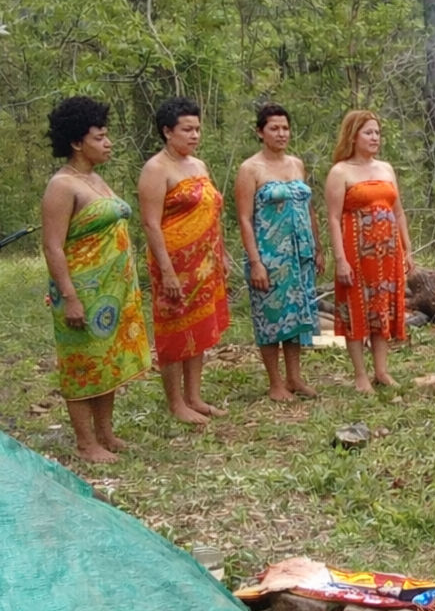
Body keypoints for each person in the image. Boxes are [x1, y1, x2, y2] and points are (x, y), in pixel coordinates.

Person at [40, 96, 152, 462]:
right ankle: (86, 442)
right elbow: (53, 247)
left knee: (108, 359)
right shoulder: (62, 186)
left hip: (113, 291)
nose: (109, 143)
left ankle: (106, 432)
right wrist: (69, 295)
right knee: (83, 363)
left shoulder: (95, 179)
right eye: (100, 137)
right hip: (82, 291)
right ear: (77, 142)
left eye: (107, 136)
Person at [137, 96, 230, 425]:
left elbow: (211, 210)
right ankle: (175, 402)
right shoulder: (156, 169)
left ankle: (194, 395)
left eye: (197, 129)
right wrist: (167, 270)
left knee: (199, 325)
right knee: (174, 329)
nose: (194, 135)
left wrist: (222, 253)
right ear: (167, 131)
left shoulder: (199, 165)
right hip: (173, 262)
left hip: (205, 261)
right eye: (186, 129)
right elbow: (150, 223)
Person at [235, 103, 322, 401]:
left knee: (296, 315)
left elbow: (309, 208)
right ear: (260, 132)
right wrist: (256, 262)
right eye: (274, 128)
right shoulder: (250, 169)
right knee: (270, 316)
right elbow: (245, 218)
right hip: (270, 255)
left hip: (300, 254)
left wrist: (317, 248)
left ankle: (294, 377)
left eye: (285, 128)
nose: (281, 133)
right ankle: (275, 383)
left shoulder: (296, 164)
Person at [325, 110, 414, 393]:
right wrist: (340, 259)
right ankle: (361, 375)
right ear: (353, 136)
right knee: (356, 309)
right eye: (368, 132)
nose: (375, 137)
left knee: (382, 307)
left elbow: (398, 213)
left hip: (388, 254)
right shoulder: (340, 172)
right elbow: (333, 218)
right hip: (356, 253)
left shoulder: (386, 169)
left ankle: (382, 370)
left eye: (377, 132)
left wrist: (407, 248)